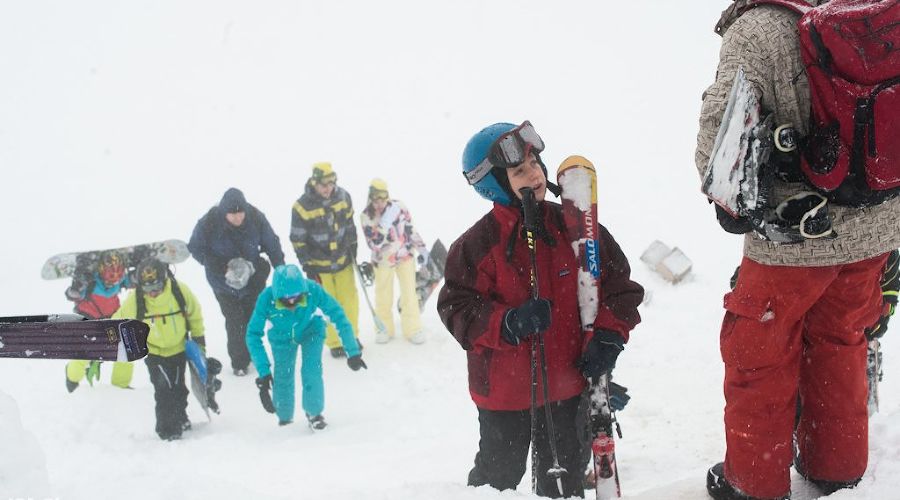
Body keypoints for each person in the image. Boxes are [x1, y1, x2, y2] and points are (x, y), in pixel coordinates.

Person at [697, 2, 900, 498]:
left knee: (759, 356)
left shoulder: (758, 28)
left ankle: (754, 482)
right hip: (876, 228)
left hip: (794, 241)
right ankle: (836, 466)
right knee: (841, 340)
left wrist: (730, 200)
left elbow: (717, 139)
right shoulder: (874, 15)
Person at [437, 121, 643, 498]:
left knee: (561, 482)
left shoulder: (576, 226)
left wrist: (610, 335)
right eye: (519, 170)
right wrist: (508, 323)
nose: (533, 173)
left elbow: (620, 288)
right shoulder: (477, 244)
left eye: (534, 163)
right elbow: (456, 307)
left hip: (568, 385)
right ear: (493, 183)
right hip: (504, 393)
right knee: (497, 478)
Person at [246, 264, 366, 429]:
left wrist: (352, 351)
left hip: (311, 330)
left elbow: (338, 314)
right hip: (281, 337)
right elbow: (253, 335)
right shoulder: (265, 299)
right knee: (282, 375)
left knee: (312, 369)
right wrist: (264, 374)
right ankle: (285, 418)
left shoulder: (313, 290)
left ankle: (314, 413)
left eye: (297, 298)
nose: (292, 302)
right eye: (286, 300)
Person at [188, 187, 285, 376]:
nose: (237, 218)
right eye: (232, 214)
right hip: (222, 283)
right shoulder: (209, 222)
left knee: (252, 318)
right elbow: (195, 247)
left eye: (240, 213)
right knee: (234, 320)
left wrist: (281, 269)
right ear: (224, 212)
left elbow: (271, 243)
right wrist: (216, 265)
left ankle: (255, 355)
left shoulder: (255, 217)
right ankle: (239, 363)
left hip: (252, 279)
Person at [112, 258, 206, 441]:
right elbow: (118, 321)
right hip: (154, 353)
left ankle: (181, 418)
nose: (153, 293)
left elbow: (194, 315)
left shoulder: (179, 291)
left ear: (165, 281)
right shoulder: (137, 300)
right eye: (147, 289)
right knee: (163, 391)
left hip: (178, 348)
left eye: (156, 287)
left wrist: (199, 340)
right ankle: (167, 430)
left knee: (179, 388)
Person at [289, 162, 361, 358]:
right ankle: (335, 342)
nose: (328, 188)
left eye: (331, 184)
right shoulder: (301, 207)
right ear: (314, 182)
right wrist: (307, 266)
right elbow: (298, 240)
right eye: (323, 185)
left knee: (349, 300)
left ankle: (351, 336)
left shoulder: (343, 197)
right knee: (328, 303)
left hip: (343, 260)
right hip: (320, 266)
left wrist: (353, 246)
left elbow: (350, 225)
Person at [360, 179, 429, 345]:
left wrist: (422, 248)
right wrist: (384, 223)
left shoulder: (399, 207)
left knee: (409, 294)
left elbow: (410, 229)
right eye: (375, 200)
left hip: (405, 256)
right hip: (383, 261)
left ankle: (413, 328)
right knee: (383, 296)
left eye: (382, 200)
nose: (379, 204)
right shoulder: (366, 216)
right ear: (370, 198)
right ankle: (384, 328)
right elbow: (374, 244)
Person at [64, 249, 134, 392]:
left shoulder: (119, 281)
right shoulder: (91, 282)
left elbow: (134, 280)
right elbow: (72, 294)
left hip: (111, 321)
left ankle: (120, 386)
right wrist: (77, 285)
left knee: (126, 348)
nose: (113, 281)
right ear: (102, 271)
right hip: (89, 322)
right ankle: (72, 377)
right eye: (110, 276)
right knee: (84, 356)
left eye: (117, 277)